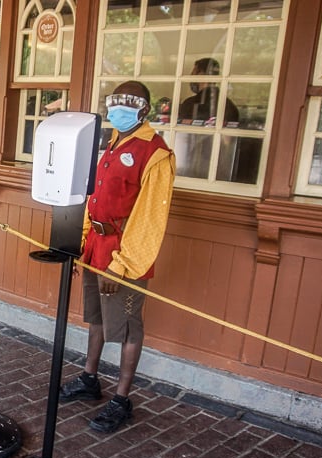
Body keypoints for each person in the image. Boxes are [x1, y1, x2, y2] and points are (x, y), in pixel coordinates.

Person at [59, 81, 175, 433]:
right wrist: (82, 245)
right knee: (95, 318)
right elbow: (96, 199)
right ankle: (90, 378)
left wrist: (121, 265)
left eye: (127, 105)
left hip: (125, 254)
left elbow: (150, 218)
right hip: (97, 245)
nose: (117, 112)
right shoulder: (113, 142)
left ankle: (122, 399)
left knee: (126, 328)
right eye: (113, 105)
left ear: (144, 110)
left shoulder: (156, 154)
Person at [178, 57, 239, 126]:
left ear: (201, 74)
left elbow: (183, 131)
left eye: (193, 74)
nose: (191, 78)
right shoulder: (229, 105)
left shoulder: (190, 104)